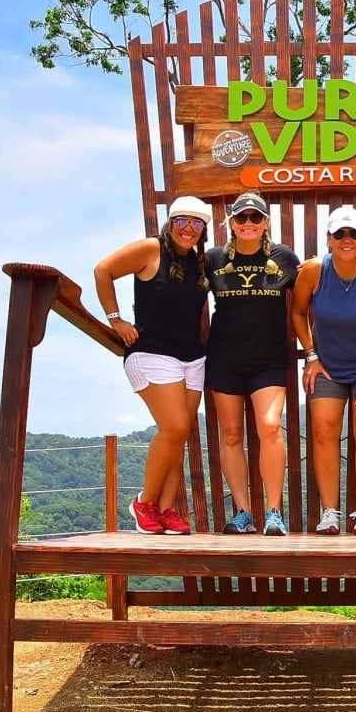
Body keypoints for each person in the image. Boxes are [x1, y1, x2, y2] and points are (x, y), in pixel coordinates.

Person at [94, 195, 213, 535]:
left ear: (203, 229)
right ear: (170, 223)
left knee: (180, 436)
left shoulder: (199, 261)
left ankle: (165, 510)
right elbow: (103, 270)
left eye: (196, 223)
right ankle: (144, 502)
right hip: (152, 353)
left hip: (192, 357)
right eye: (182, 221)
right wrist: (115, 319)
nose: (188, 228)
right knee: (174, 428)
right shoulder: (150, 249)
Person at [290, 205, 356, 534]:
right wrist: (311, 355)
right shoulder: (313, 270)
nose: (346, 240)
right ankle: (330, 512)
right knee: (323, 432)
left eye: (353, 234)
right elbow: (297, 313)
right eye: (340, 234)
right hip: (328, 367)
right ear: (329, 239)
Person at [205, 192, 300, 536]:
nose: (248, 224)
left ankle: (274, 511)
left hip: (269, 360)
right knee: (230, 434)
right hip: (224, 359)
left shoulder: (284, 258)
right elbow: (181, 292)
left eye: (254, 218)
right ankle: (243, 511)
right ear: (231, 222)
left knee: (270, 427)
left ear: (265, 223)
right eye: (241, 218)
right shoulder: (213, 259)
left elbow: (308, 298)